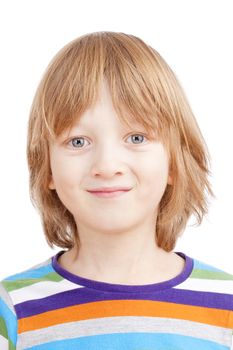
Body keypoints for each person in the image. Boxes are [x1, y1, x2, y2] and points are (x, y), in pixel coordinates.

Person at [0, 31, 232, 349]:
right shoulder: (12, 309)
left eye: (136, 137)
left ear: (175, 162)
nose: (107, 165)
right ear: (47, 167)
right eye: (78, 141)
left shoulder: (225, 308)